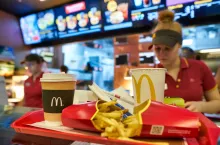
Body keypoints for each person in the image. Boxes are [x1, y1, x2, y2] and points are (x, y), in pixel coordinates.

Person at [152, 10, 220, 113]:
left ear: (179, 45)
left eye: (167, 49)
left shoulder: (199, 67)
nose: (161, 53)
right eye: (157, 49)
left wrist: (201, 106)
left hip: (196, 127)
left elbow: (217, 103)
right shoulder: (150, 73)